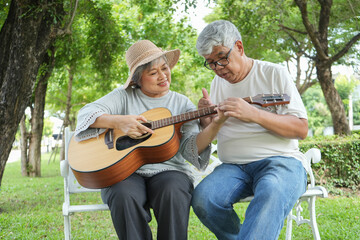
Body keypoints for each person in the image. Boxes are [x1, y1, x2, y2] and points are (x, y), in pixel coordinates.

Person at [73, 40, 226, 240]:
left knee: (173, 190)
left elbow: (190, 150)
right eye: (153, 73)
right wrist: (118, 122)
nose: (163, 76)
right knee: (122, 194)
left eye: (164, 68)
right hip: (125, 171)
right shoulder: (123, 96)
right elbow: (85, 114)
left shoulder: (182, 104)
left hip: (170, 170)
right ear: (137, 79)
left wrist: (212, 125)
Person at [191, 20, 309, 240]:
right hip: (233, 167)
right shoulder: (217, 83)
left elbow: (301, 129)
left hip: (281, 161)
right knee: (203, 198)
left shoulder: (274, 73)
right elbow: (212, 131)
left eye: (222, 58)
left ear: (239, 47)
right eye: (211, 63)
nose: (218, 68)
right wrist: (208, 120)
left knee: (272, 190)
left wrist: (254, 114)